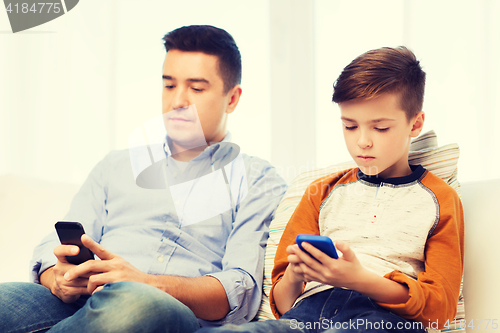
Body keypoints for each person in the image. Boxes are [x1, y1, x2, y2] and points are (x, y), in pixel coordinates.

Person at [0, 25, 287, 333]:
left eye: (196, 88)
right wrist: (56, 276)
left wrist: (147, 283)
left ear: (232, 99)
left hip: (163, 310)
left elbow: (239, 290)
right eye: (168, 85)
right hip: (82, 302)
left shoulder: (258, 179)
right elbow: (57, 244)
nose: (178, 101)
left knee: (136, 303)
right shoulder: (116, 165)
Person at [196, 46, 464, 333]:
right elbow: (283, 304)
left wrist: (358, 279)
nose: (362, 141)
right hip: (304, 316)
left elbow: (440, 307)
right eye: (350, 126)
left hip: (383, 320)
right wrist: (295, 276)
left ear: (416, 124)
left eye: (380, 128)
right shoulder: (322, 192)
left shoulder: (440, 199)